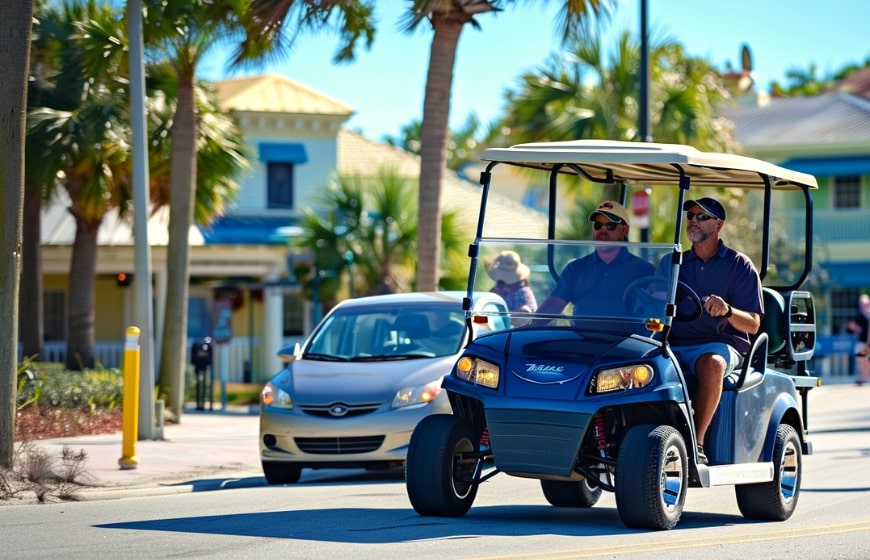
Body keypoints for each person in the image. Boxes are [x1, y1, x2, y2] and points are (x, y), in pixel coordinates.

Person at [660, 197, 763, 464]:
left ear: (719, 225)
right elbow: (650, 303)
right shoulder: (672, 263)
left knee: (711, 363)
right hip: (671, 344)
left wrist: (728, 310)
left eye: (702, 216)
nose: (693, 220)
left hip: (719, 345)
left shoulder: (739, 265)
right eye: (690, 215)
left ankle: (697, 443)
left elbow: (753, 323)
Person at [536, 200, 654, 317]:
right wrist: (531, 325)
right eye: (598, 225)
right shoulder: (576, 269)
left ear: (624, 230)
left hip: (626, 336)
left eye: (610, 226)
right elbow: (555, 303)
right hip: (579, 335)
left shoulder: (644, 270)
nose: (603, 231)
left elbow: (655, 311)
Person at [846, 293, 870, 386]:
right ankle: (863, 377)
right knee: (862, 360)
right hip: (861, 342)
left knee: (864, 360)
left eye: (864, 303)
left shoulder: (867, 315)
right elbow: (851, 327)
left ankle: (865, 378)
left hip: (866, 343)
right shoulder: (860, 315)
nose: (862, 305)